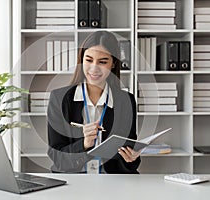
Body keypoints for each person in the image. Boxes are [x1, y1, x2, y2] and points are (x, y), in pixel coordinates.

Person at [47, 31, 141, 174]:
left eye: (102, 62)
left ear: (113, 63)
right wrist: (84, 145)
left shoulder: (126, 101)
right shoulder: (59, 98)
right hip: (74, 179)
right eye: (89, 60)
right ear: (81, 60)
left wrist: (131, 159)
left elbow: (130, 157)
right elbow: (57, 157)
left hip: (113, 180)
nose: (94, 68)